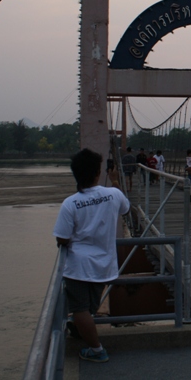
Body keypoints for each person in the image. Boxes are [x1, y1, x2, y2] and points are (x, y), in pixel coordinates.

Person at [53, 148, 130, 363]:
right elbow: (125, 209)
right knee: (90, 308)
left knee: (79, 309)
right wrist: (115, 181)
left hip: (78, 267)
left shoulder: (70, 203)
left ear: (75, 174)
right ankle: (83, 329)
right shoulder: (113, 195)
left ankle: (96, 350)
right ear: (98, 173)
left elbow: (62, 238)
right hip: (104, 265)